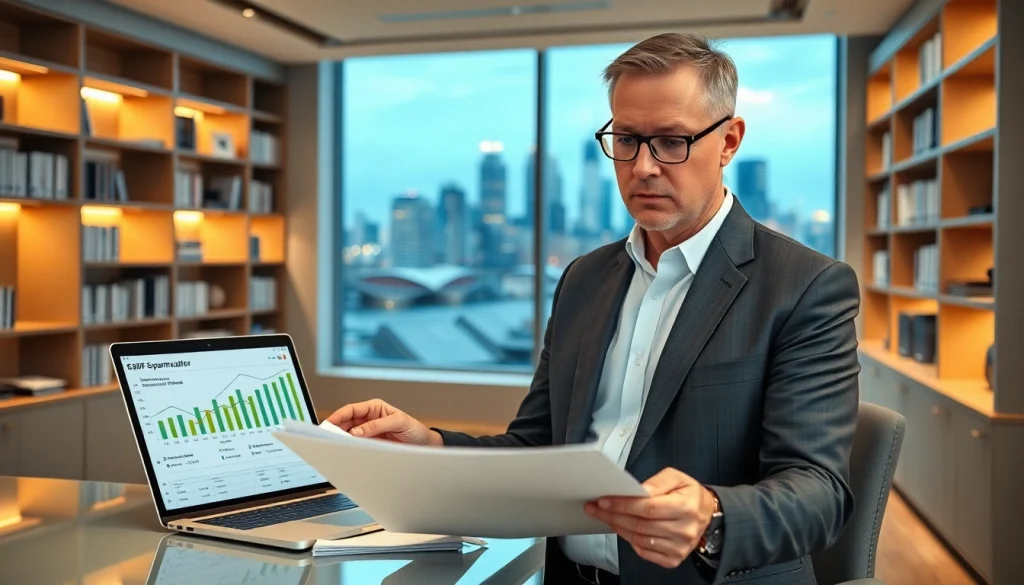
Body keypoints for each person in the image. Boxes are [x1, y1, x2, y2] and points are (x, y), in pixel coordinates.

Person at [327, 32, 860, 585]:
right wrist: (431, 446)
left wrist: (712, 516)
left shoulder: (806, 286)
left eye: (672, 141)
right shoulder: (583, 278)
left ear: (729, 141)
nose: (644, 167)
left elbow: (819, 493)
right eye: (626, 139)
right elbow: (537, 449)